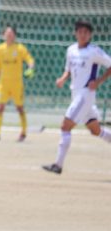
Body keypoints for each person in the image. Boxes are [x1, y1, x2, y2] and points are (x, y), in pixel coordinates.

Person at [42, 20, 111, 174]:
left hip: (85, 94)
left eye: (86, 32)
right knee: (96, 130)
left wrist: (98, 81)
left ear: (90, 35)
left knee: (65, 126)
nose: (83, 34)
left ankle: (58, 165)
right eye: (80, 31)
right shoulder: (71, 50)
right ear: (76, 33)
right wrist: (62, 78)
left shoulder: (94, 51)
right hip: (75, 94)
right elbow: (68, 69)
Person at [0, 26, 35, 142]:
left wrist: (31, 68)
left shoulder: (20, 48)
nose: (9, 35)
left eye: (11, 33)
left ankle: (24, 132)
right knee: (0, 108)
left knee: (20, 108)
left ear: (14, 35)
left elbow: (30, 60)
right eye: (7, 33)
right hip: (3, 84)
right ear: (4, 35)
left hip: (16, 84)